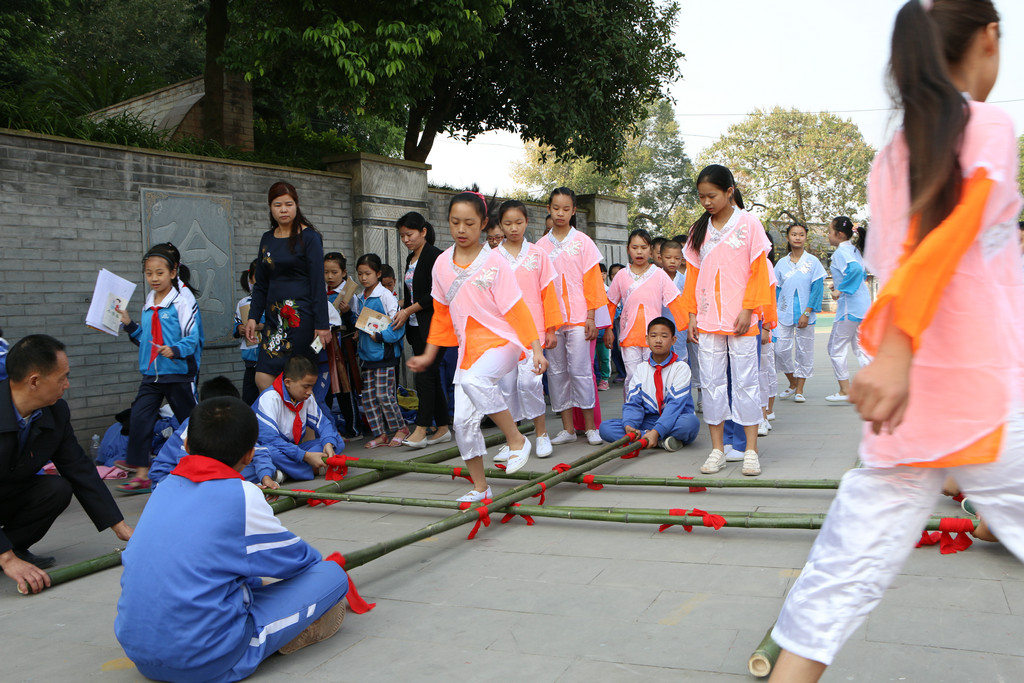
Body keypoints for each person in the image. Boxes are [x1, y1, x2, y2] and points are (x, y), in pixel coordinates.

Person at [769, 3, 1024, 679]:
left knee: (839, 579)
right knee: (842, 573)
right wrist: (899, 347)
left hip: (908, 407)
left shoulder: (892, 156)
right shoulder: (989, 125)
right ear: (988, 37)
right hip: (986, 394)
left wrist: (894, 352)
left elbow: (900, 262)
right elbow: (953, 232)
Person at [115, 397, 349, 682]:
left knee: (236, 571)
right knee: (332, 575)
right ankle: (275, 636)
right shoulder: (243, 495)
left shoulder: (162, 489)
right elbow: (301, 562)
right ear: (250, 455)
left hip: (139, 654)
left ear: (185, 445)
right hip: (208, 660)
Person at [408, 190, 548, 500]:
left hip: (503, 342)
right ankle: (481, 488)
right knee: (462, 423)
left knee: (474, 381)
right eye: (455, 222)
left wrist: (536, 348)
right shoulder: (441, 264)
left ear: (483, 223)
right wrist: (428, 354)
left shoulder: (496, 261)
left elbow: (517, 308)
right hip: (468, 350)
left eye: (469, 223)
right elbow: (441, 315)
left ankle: (516, 439)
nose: (461, 229)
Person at [0, 335, 133, 594]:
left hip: (7, 493)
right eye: (62, 378)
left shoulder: (55, 412)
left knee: (56, 488)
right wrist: (6, 558)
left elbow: (78, 468)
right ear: (34, 381)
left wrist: (120, 527)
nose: (67, 384)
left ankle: (14, 547)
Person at [683, 165, 772, 477]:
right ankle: (718, 450)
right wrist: (691, 314)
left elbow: (759, 272)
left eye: (712, 195)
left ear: (729, 191)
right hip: (708, 319)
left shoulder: (749, 224)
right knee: (711, 383)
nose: (706, 202)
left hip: (741, 319)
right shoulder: (698, 230)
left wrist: (749, 309)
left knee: (746, 382)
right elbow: (693, 276)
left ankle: (750, 451)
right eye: (701, 197)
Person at [115, 243, 203, 494]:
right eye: (149, 273)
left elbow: (193, 338)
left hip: (178, 372)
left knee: (191, 422)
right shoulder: (149, 301)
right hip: (151, 374)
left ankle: (206, 463)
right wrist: (129, 324)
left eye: (159, 273)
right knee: (140, 417)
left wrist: (174, 349)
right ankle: (142, 475)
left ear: (173, 272)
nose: (154, 278)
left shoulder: (182, 301)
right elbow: (145, 339)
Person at [536, 187, 608, 447]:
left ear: (574, 211)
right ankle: (567, 428)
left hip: (579, 317)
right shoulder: (540, 247)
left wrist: (591, 317)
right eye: (556, 208)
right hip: (552, 321)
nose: (560, 213)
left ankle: (590, 427)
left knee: (581, 371)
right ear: (549, 209)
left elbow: (593, 283)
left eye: (566, 209)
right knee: (556, 372)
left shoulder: (583, 242)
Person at [245, 182, 331, 393]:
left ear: (296, 205)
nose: (283, 210)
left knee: (299, 381)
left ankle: (302, 415)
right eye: (277, 205)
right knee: (263, 377)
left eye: (288, 204)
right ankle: (282, 414)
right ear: (270, 207)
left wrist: (322, 325)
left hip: (301, 319)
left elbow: (318, 284)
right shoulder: (267, 239)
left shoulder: (309, 237)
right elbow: (261, 284)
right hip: (274, 320)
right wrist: (253, 317)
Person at [494, 200, 563, 459]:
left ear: (527, 222)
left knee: (531, 382)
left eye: (519, 222)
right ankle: (514, 439)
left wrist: (551, 329)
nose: (513, 228)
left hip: (533, 331)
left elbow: (549, 294)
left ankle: (542, 434)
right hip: (502, 333)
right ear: (500, 225)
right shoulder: (492, 257)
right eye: (508, 223)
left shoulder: (538, 254)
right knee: (506, 385)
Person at [148, 376, 280, 491]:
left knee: (250, 465)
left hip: (209, 475)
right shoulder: (194, 424)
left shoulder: (235, 421)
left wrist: (265, 477)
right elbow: (192, 469)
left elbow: (258, 451)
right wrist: (237, 487)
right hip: (173, 479)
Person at [393, 212, 452, 448]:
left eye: (410, 234)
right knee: (431, 376)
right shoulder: (411, 258)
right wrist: (401, 308)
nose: (406, 239)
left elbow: (435, 294)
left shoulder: (436, 257)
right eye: (402, 236)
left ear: (423, 231)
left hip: (435, 325)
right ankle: (443, 427)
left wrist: (408, 310)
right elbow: (412, 293)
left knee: (424, 377)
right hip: (416, 327)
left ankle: (421, 428)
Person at [599, 317, 700, 451]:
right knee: (605, 428)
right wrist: (630, 425)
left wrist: (657, 431)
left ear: (673, 340)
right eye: (653, 336)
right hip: (647, 421)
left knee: (690, 423)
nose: (658, 340)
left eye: (664, 336)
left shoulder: (681, 367)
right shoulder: (641, 368)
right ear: (647, 339)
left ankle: (648, 439)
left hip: (675, 419)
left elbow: (675, 406)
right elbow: (633, 403)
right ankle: (660, 441)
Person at [606, 229, 688, 391]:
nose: (639, 252)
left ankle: (653, 407)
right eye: (634, 247)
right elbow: (610, 303)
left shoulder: (659, 274)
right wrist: (608, 329)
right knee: (633, 377)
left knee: (653, 376)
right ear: (628, 249)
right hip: (628, 336)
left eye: (643, 247)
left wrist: (687, 326)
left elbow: (675, 302)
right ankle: (633, 407)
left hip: (654, 337)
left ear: (650, 250)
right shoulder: (621, 275)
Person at [352, 253, 409, 449]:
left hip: (384, 354)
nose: (363, 278)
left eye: (367, 273)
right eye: (360, 274)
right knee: (368, 397)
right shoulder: (360, 297)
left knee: (384, 395)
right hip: (367, 355)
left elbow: (398, 325)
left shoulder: (385, 296)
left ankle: (401, 428)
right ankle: (380, 434)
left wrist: (381, 337)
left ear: (378, 274)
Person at [254, 354, 342, 481]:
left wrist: (328, 442)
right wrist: (306, 456)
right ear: (288, 382)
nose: (309, 392)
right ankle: (309, 469)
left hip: (291, 451)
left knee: (336, 440)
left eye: (312, 386)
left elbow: (323, 424)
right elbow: (270, 441)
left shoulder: (306, 397)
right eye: (306, 386)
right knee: (271, 452)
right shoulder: (270, 399)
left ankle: (289, 472)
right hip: (269, 451)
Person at [774, 223, 826, 404]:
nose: (797, 237)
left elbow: (817, 289)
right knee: (780, 350)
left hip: (805, 313)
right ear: (788, 237)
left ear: (805, 237)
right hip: (783, 313)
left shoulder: (813, 262)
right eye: (794, 234)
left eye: (801, 234)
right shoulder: (781, 264)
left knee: (804, 351)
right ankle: (792, 382)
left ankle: (800, 389)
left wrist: (807, 312)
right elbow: (776, 289)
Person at [824, 216, 871, 402]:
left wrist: (840, 290)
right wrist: (839, 286)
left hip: (849, 309)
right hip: (863, 306)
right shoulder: (855, 249)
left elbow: (856, 271)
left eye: (829, 232)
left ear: (840, 234)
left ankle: (845, 390)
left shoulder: (841, 252)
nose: (828, 235)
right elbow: (862, 274)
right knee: (861, 348)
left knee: (835, 348)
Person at [323, 251, 362, 439]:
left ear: (344, 272)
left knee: (345, 389)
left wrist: (346, 313)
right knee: (325, 390)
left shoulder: (350, 295)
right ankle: (328, 430)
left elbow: (356, 324)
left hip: (342, 348)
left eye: (334, 272)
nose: (329, 276)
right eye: (326, 272)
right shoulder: (320, 293)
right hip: (324, 347)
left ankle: (354, 429)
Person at [233, 260, 261, 406]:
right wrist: (240, 328)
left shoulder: (273, 302)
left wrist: (261, 326)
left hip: (268, 356)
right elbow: (237, 322)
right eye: (257, 276)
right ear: (250, 279)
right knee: (249, 398)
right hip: (250, 359)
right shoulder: (244, 302)